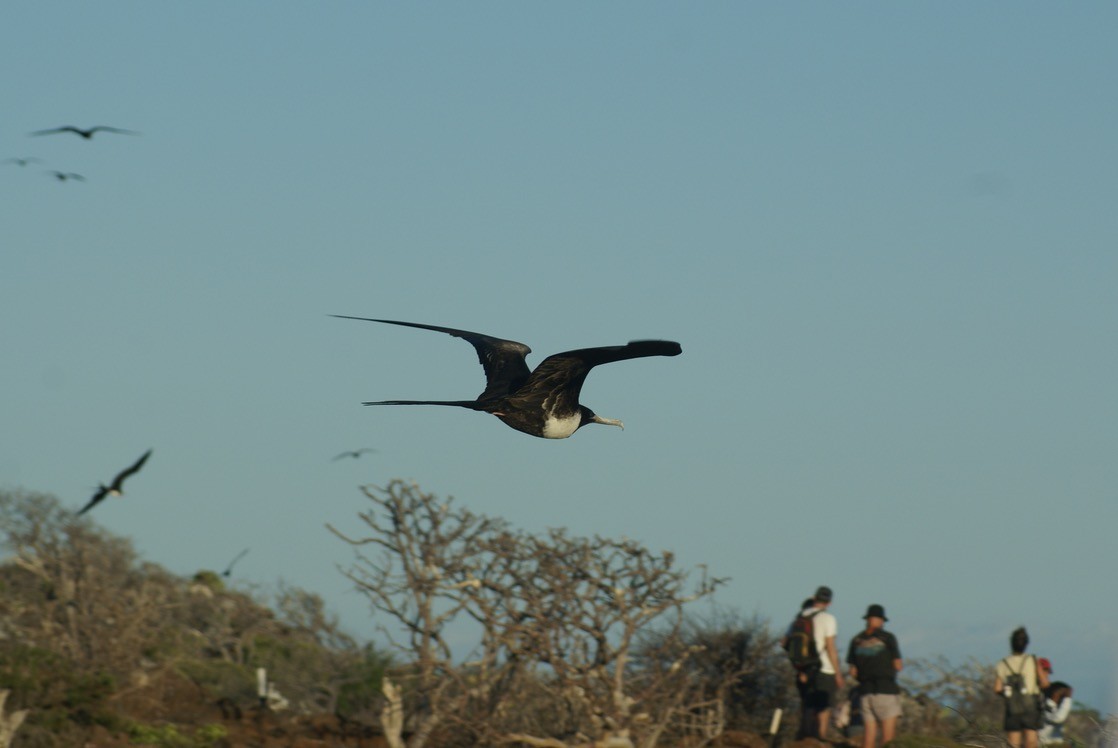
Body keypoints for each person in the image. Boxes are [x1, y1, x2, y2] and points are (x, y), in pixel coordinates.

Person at [786, 586, 845, 740]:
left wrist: (799, 666)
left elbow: (785, 642)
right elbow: (830, 647)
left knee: (808, 704)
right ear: (829, 602)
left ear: (814, 598)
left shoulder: (800, 617)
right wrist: (838, 672)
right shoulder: (828, 619)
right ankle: (820, 738)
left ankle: (804, 738)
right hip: (824, 667)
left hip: (804, 668)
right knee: (824, 706)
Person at [847, 604, 903, 748]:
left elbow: (852, 671)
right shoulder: (888, 638)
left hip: (865, 691)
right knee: (888, 738)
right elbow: (898, 665)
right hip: (885, 690)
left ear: (867, 619)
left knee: (869, 735)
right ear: (881, 620)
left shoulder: (856, 640)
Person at [994, 627, 1050, 748]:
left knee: (1013, 744)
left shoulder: (1002, 663)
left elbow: (997, 689)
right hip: (1030, 707)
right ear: (1026, 644)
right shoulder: (1032, 660)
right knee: (1031, 742)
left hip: (1012, 709)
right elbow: (1045, 683)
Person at [1039, 674, 1074, 745]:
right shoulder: (1046, 706)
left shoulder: (1051, 706)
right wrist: (1068, 698)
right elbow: (1058, 718)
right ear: (1056, 694)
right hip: (1045, 744)